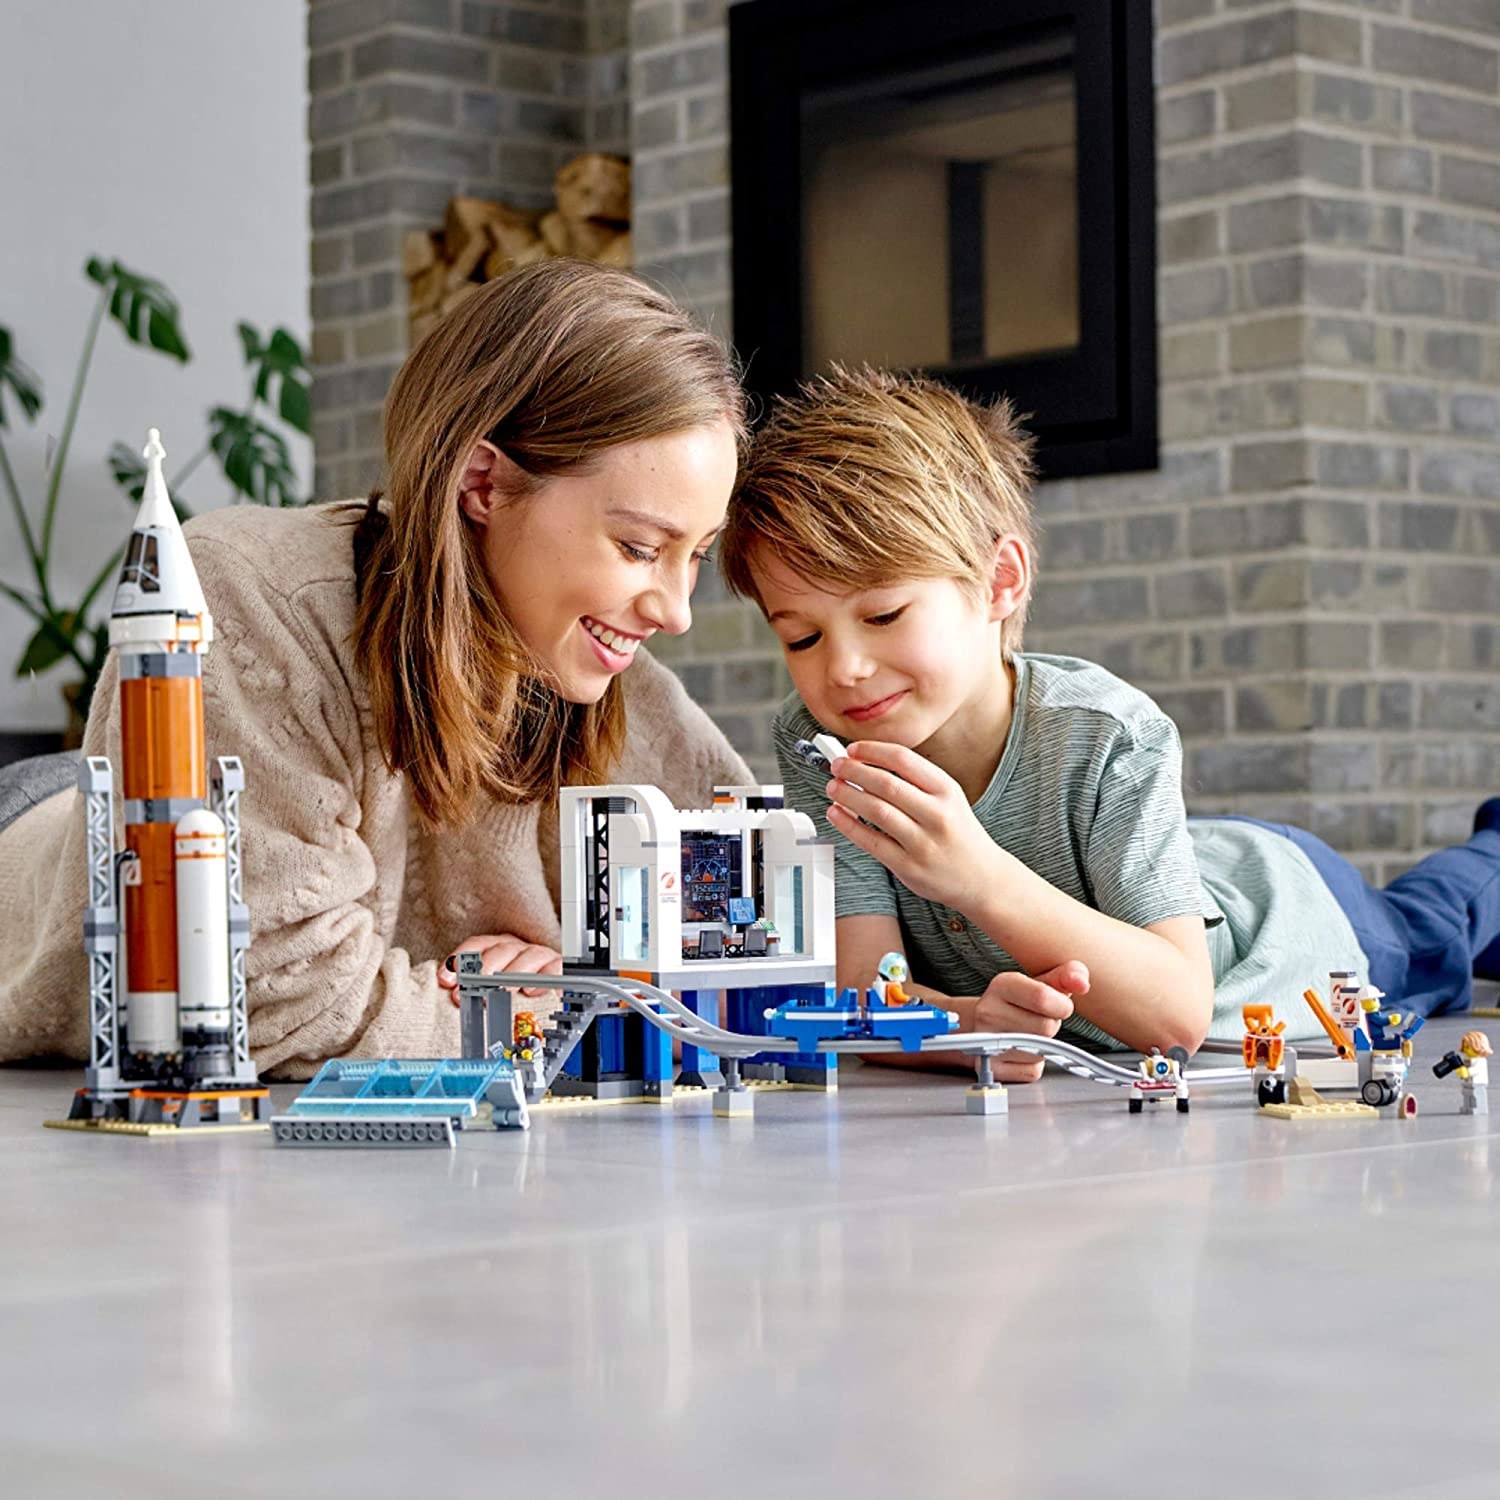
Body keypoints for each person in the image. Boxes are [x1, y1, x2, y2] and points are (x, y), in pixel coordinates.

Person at [0, 260, 751, 1076]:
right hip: (38, 837)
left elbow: (745, 950)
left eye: (695, 556)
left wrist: (544, 1000)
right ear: (484, 484)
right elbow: (275, 1001)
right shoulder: (250, 594)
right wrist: (542, 1018)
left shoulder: (613, 673)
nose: (674, 611)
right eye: (640, 548)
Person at [716, 365, 1500, 1081]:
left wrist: (976, 877)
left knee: (1432, 932)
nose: (842, 667)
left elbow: (1174, 1017)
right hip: (1164, 874)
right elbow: (864, 992)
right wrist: (971, 1029)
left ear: (1000, 582)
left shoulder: (1108, 732)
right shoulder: (822, 746)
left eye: (883, 613)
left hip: (1276, 909)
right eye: (802, 636)